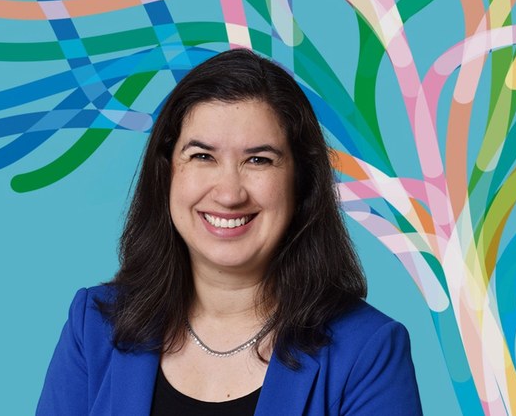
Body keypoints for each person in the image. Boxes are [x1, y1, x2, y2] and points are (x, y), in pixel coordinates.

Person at [36, 49, 423, 415]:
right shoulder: (93, 327)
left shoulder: (368, 352)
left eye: (259, 160)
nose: (229, 194)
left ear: (301, 182)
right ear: (167, 173)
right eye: (202, 156)